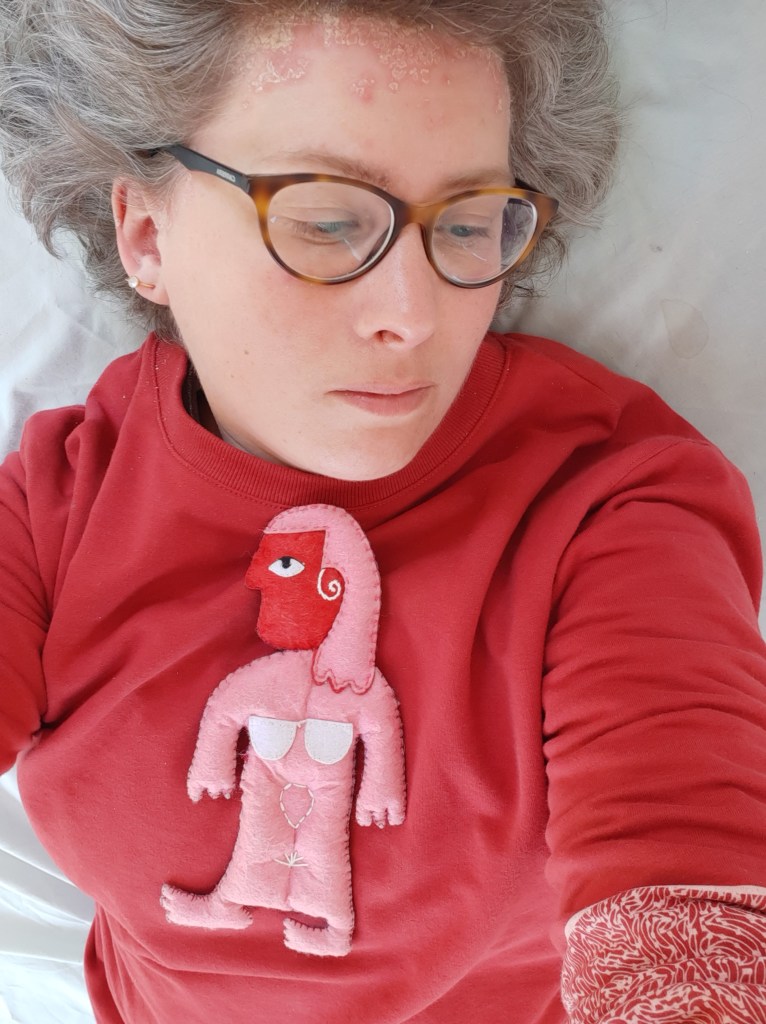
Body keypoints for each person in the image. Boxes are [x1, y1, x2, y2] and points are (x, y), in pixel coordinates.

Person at [1, 1, 765, 1021]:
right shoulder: (57, 506)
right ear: (146, 233)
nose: (413, 314)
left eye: (467, 223)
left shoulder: (608, 500)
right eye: (324, 220)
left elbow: (683, 857)